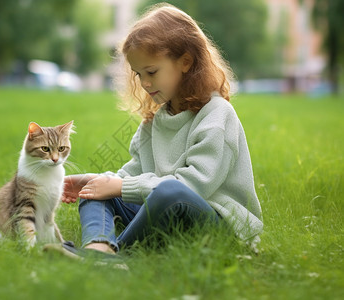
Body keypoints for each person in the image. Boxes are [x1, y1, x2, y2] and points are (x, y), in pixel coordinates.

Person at [56, 3, 263, 259]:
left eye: (152, 71)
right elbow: (130, 175)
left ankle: (115, 255)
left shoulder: (217, 115)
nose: (144, 83)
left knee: (169, 192)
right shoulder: (154, 121)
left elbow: (193, 187)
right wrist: (94, 180)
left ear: (185, 62)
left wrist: (119, 186)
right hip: (169, 218)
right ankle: (98, 247)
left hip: (220, 227)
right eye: (138, 74)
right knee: (95, 189)